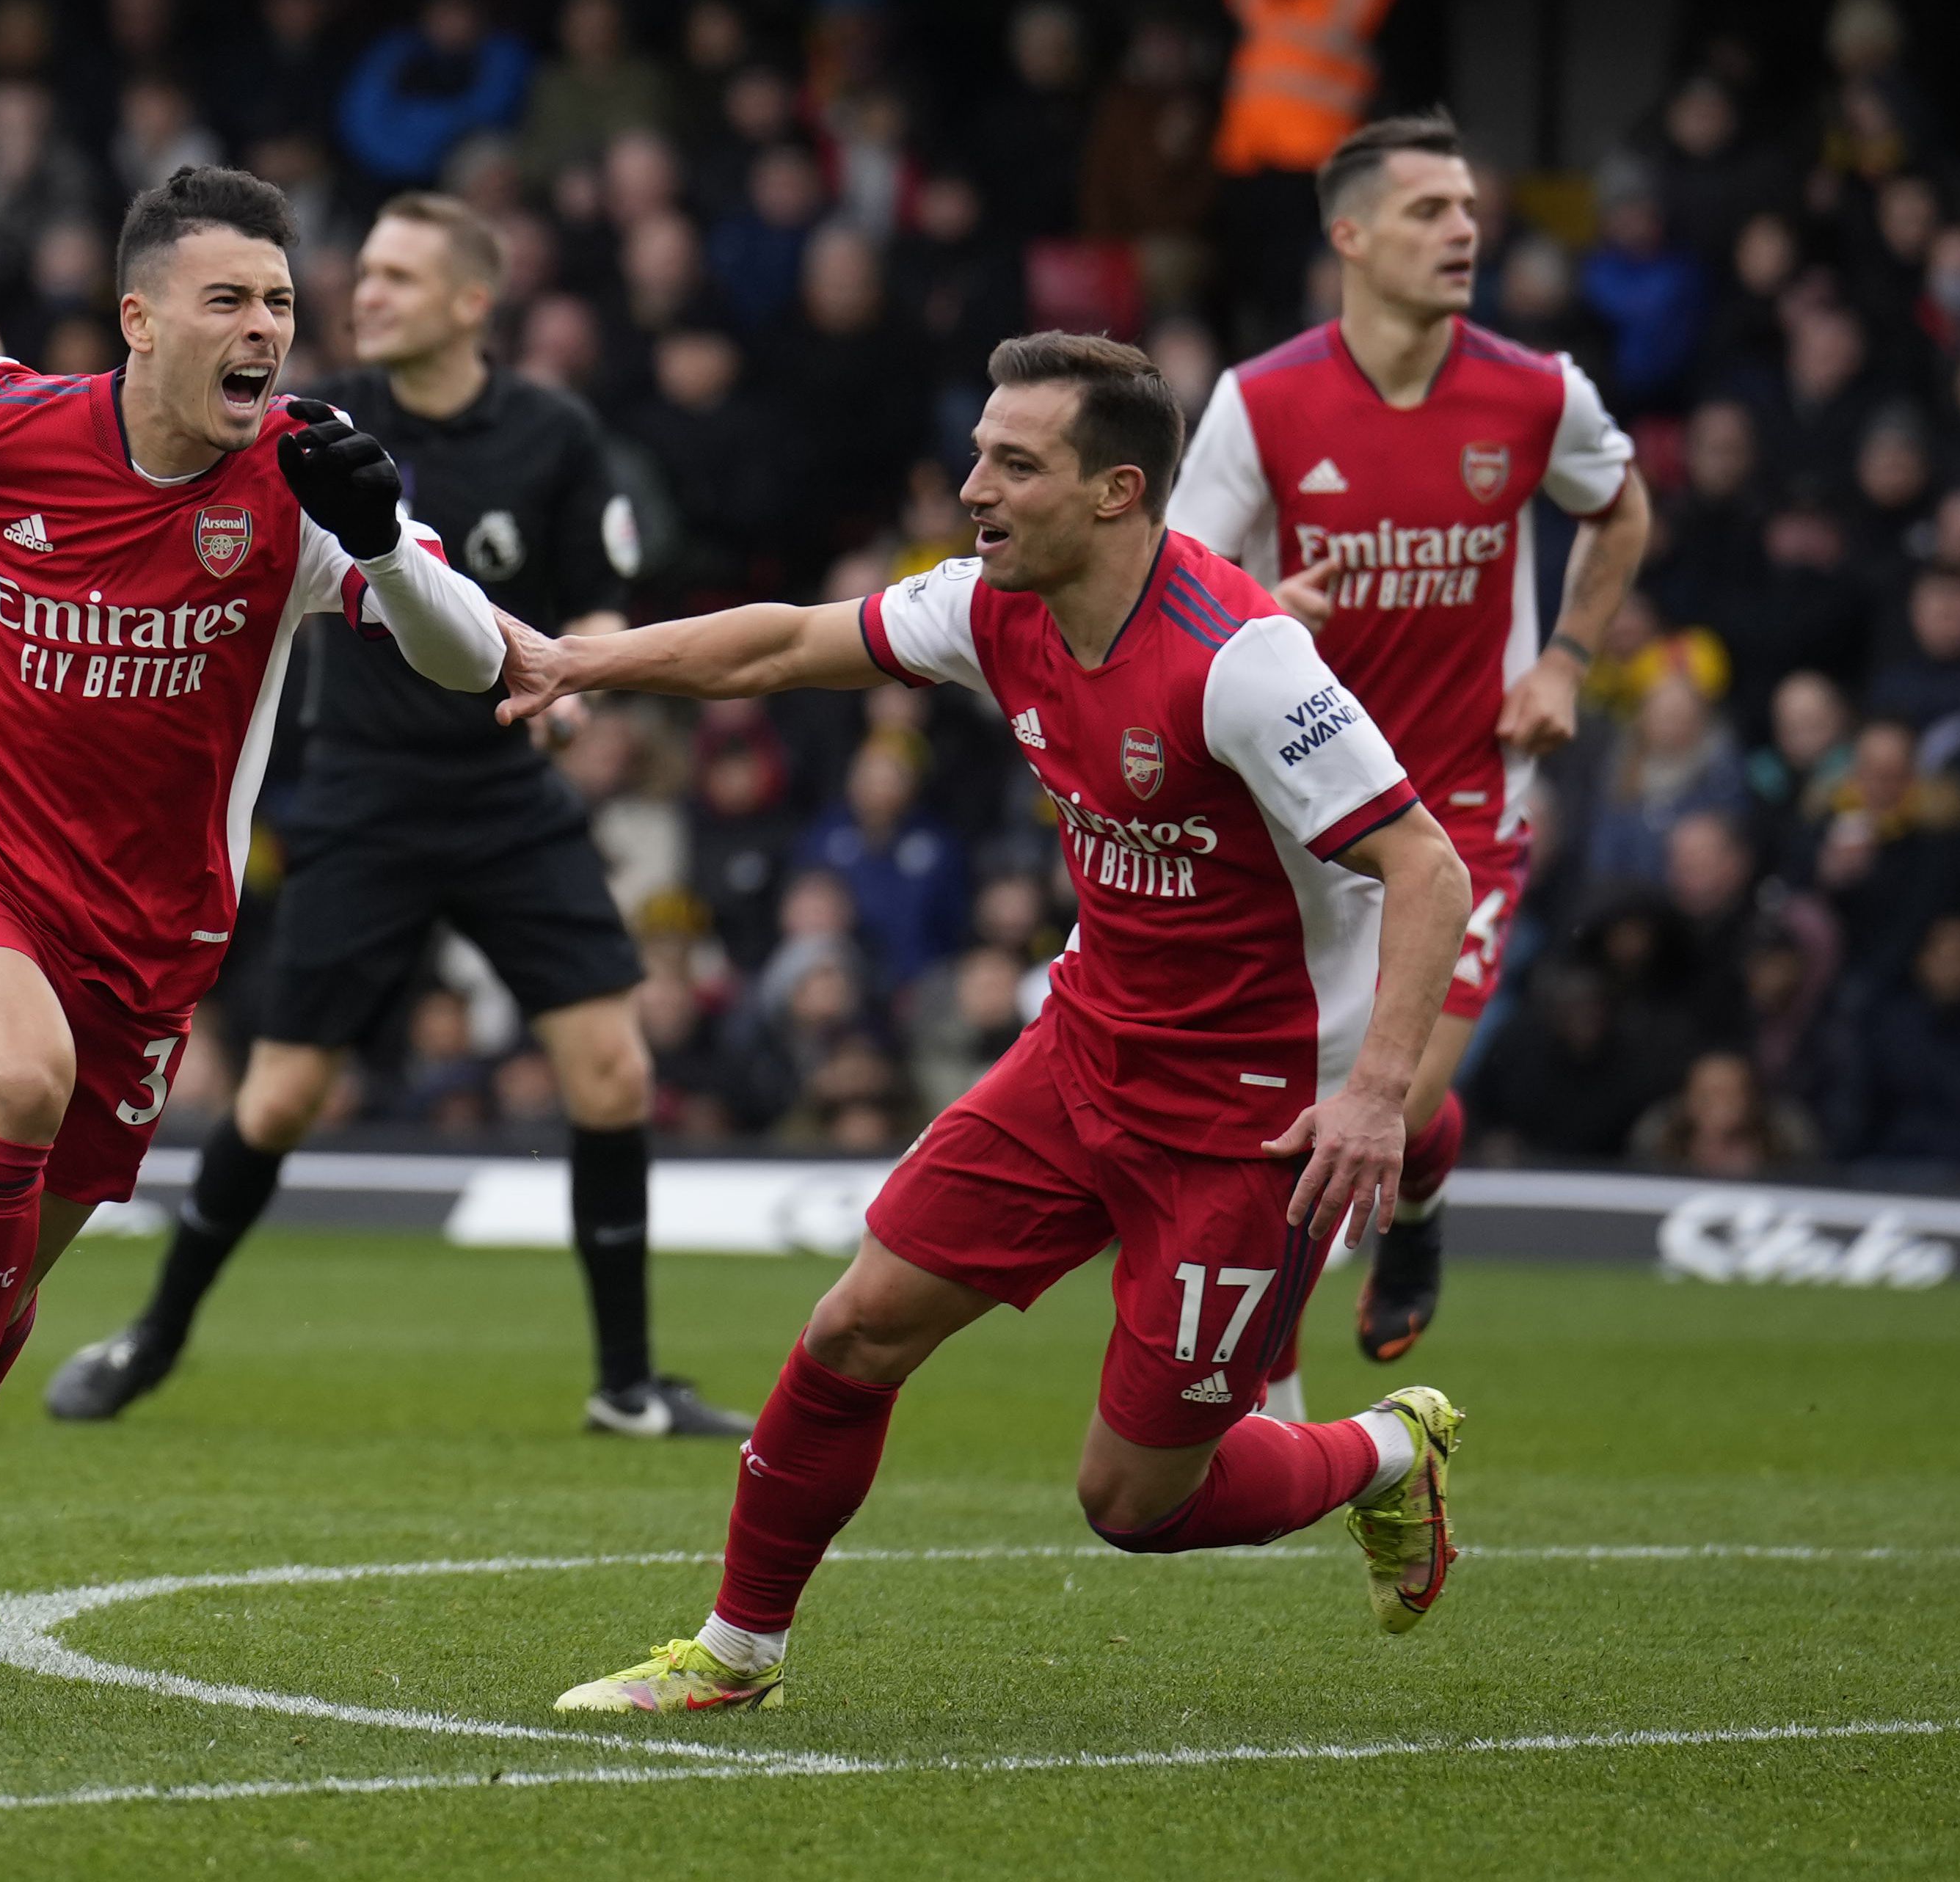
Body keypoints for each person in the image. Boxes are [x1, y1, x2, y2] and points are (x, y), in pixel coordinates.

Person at [498, 332, 1473, 1713]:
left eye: (1016, 464)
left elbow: (1429, 867)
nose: (975, 488)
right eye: (978, 455)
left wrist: (1378, 1095)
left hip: (1245, 1125)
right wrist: (583, 660)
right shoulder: (993, 606)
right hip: (1081, 1055)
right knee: (854, 1330)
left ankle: (1383, 1452)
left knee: (1134, 1503)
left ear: (1119, 492)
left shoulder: (1244, 664)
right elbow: (784, 642)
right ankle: (736, 1653)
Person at [0, 167, 507, 1663]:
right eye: (230, 298)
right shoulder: (4, 421)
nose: (265, 326)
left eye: (282, 301)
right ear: (139, 320)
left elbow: (471, 661)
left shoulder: (303, 483)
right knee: (15, 1082)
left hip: (148, 949)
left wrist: (391, 537)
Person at [40, 192, 742, 1440]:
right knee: (281, 1100)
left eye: (401, 278)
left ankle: (627, 1384)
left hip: (506, 797)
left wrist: (576, 707)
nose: (365, 296)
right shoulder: (308, 423)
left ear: (475, 301)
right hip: (365, 793)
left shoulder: (556, 434)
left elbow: (590, 613)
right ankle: (153, 1335)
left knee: (615, 1071)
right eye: (362, 274)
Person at [1167, 110, 1647, 1393]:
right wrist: (1267, 609)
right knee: (1364, 1109)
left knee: (1380, 1091)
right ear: (1351, 235)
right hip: (1304, 815)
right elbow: (1175, 580)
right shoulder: (1261, 402)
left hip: (1469, 810)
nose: (1464, 233)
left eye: (1471, 212)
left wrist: (1566, 660)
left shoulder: (1539, 392)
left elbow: (1624, 506)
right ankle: (1424, 1193)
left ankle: (1266, 1392)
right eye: (1431, 211)